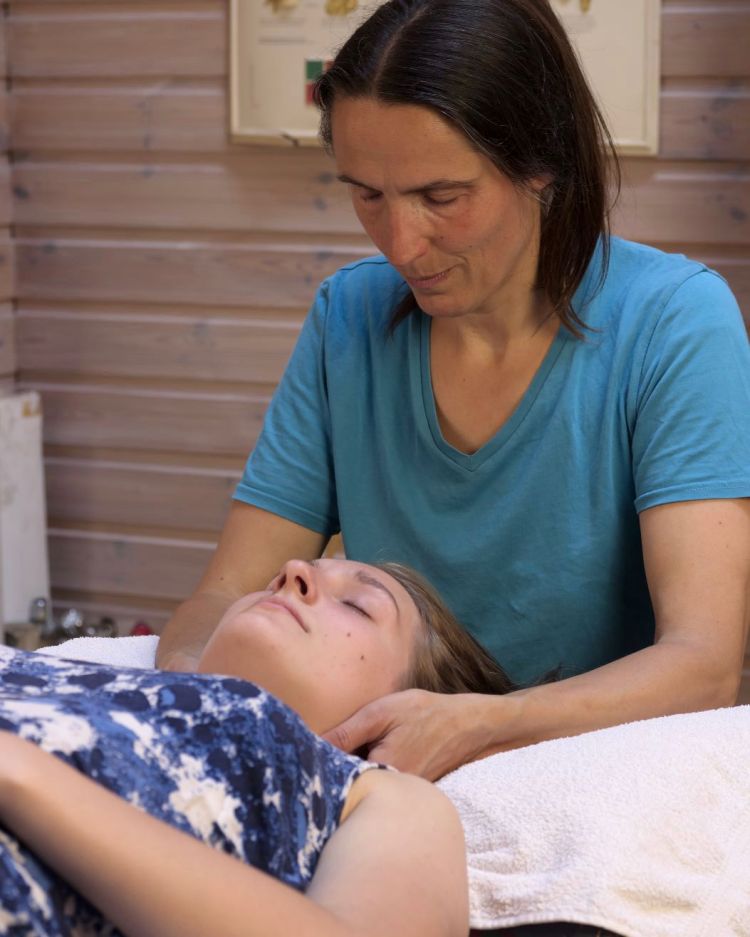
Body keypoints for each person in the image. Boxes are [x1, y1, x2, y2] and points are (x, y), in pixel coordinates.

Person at [157, 0, 750, 781]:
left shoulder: (673, 321)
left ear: (542, 164)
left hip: (586, 781)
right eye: (367, 194)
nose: (401, 245)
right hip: (378, 774)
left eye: (441, 197)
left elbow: (705, 665)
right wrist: (195, 711)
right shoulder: (349, 314)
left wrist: (479, 724)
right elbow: (219, 598)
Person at [0, 556, 500, 937]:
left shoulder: (375, 793)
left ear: (409, 707)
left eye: (357, 606)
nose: (292, 569)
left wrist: (22, 773)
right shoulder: (81, 676)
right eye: (274, 580)